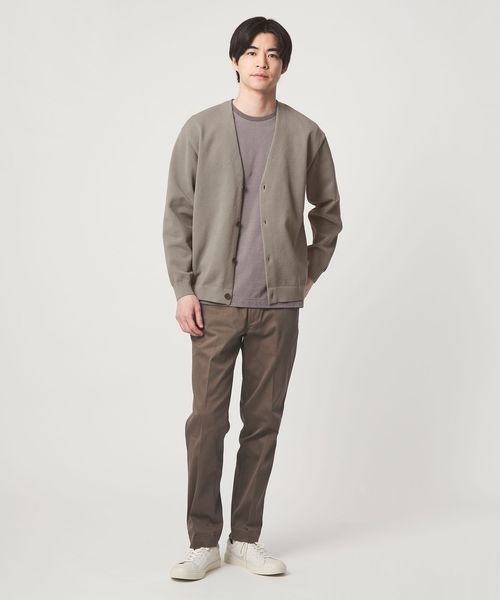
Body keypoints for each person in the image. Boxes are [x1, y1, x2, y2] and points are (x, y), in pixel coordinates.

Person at [163, 16, 343, 580]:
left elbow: (328, 214)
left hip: (277, 307)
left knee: (263, 421)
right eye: (252, 52)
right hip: (213, 302)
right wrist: (184, 288)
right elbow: (178, 213)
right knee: (206, 422)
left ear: (283, 65)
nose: (262, 62)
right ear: (235, 61)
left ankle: (245, 537)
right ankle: (202, 541)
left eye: (273, 53)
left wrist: (306, 273)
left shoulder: (306, 134)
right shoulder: (200, 129)